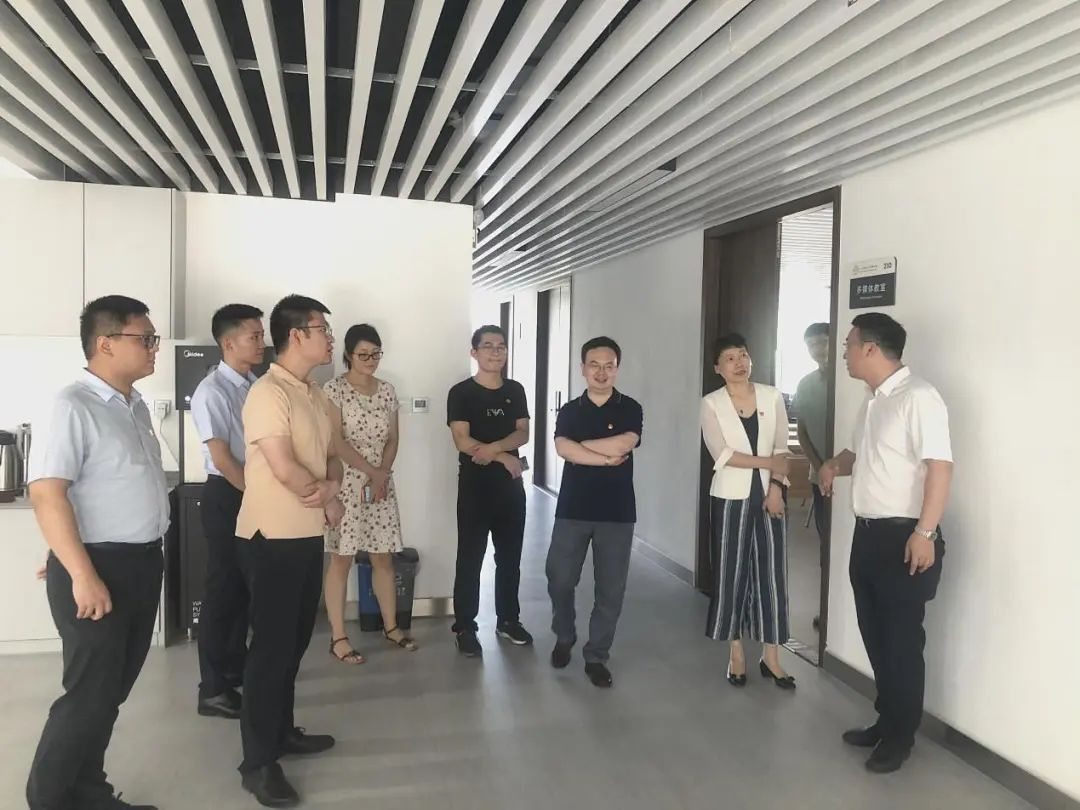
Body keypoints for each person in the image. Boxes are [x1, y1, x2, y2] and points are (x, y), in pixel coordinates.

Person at [26, 295, 168, 810]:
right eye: (144, 338)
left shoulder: (134, 405)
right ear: (105, 343)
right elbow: (48, 492)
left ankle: (88, 790)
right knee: (88, 694)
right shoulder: (72, 404)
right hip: (99, 569)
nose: (154, 347)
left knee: (112, 691)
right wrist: (79, 571)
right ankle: (48, 800)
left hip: (139, 563)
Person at [819, 312, 952, 774]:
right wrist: (833, 465)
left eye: (849, 344)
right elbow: (861, 454)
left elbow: (940, 468)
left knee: (901, 642)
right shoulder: (873, 401)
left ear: (871, 349)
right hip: (869, 536)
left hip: (906, 536)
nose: (844, 352)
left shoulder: (919, 398)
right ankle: (886, 719)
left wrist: (925, 532)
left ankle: (900, 736)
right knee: (875, 635)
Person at [234, 295, 343, 807]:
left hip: (305, 534)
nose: (330, 339)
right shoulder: (267, 393)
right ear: (296, 335)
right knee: (270, 651)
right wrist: (328, 497)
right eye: (323, 330)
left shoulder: (314, 393)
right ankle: (257, 763)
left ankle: (281, 733)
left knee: (294, 643)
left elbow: (332, 454)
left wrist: (332, 486)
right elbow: (283, 467)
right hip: (271, 537)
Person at [700, 333, 795, 690]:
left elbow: (782, 448)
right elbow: (722, 454)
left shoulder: (772, 396)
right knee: (731, 573)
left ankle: (771, 656)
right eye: (730, 358)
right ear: (718, 368)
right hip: (729, 498)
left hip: (770, 497)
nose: (739, 363)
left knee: (772, 575)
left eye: (743, 355)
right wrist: (768, 463)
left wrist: (776, 488)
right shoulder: (711, 403)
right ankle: (736, 652)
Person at [546, 336, 643, 689]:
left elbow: (625, 442)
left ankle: (596, 655)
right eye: (594, 365)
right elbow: (562, 449)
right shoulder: (570, 410)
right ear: (583, 369)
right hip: (573, 508)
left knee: (610, 590)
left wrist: (580, 448)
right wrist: (603, 459)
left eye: (609, 366)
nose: (601, 373)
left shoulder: (630, 408)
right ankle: (565, 634)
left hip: (617, 512)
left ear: (617, 369)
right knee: (559, 578)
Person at [323, 324, 415, 663]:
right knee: (341, 559)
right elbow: (336, 442)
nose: (371, 360)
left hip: (380, 484)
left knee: (382, 557)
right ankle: (338, 637)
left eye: (376, 354)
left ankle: (391, 627)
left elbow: (393, 438)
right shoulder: (334, 389)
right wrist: (372, 472)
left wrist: (381, 474)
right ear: (348, 355)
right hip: (346, 481)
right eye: (363, 354)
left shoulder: (387, 390)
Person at [190, 304, 265, 720]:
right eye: (254, 335)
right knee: (222, 591)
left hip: (251, 491)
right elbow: (222, 457)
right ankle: (213, 688)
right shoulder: (213, 391)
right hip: (228, 494)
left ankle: (236, 669)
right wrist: (256, 497)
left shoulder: (254, 384)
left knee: (242, 589)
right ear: (228, 342)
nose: (261, 342)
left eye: (261, 334)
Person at [446, 325, 533, 657]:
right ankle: (465, 627)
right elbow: (462, 440)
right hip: (475, 488)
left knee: (509, 558)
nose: (496, 352)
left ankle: (508, 620)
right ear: (474, 352)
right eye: (488, 346)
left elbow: (523, 433)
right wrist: (503, 457)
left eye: (501, 346)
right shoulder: (461, 393)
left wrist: (494, 450)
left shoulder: (515, 390)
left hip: (510, 487)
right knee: (470, 558)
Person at [795, 322, 830, 630]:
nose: (818, 349)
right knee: (825, 543)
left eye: (822, 342)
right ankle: (826, 607)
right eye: (811, 345)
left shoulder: (849, 382)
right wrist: (820, 467)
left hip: (851, 476)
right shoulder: (806, 384)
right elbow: (802, 431)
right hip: (819, 477)